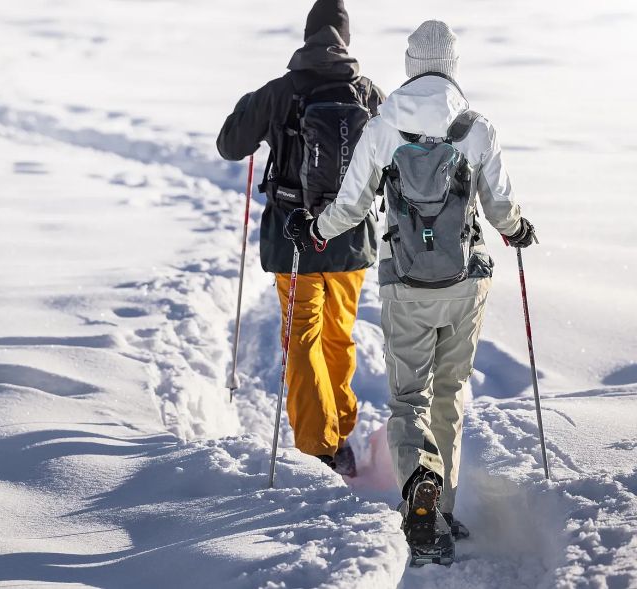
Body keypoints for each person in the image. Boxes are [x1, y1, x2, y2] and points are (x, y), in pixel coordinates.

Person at [285, 20, 536, 550]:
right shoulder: (475, 126)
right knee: (449, 395)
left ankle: (416, 488)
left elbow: (351, 205)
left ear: (409, 64)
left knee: (408, 400)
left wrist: (314, 231)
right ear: (451, 64)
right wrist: (518, 229)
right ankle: (441, 510)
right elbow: (498, 207)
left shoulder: (383, 127)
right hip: (466, 284)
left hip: (404, 285)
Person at [217, 0, 385, 475]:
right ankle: (341, 430)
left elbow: (231, 146)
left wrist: (250, 108)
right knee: (338, 333)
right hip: (351, 237)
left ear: (307, 35)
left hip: (294, 238)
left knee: (302, 337)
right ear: (345, 40)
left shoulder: (281, 90)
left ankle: (318, 445)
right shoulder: (368, 92)